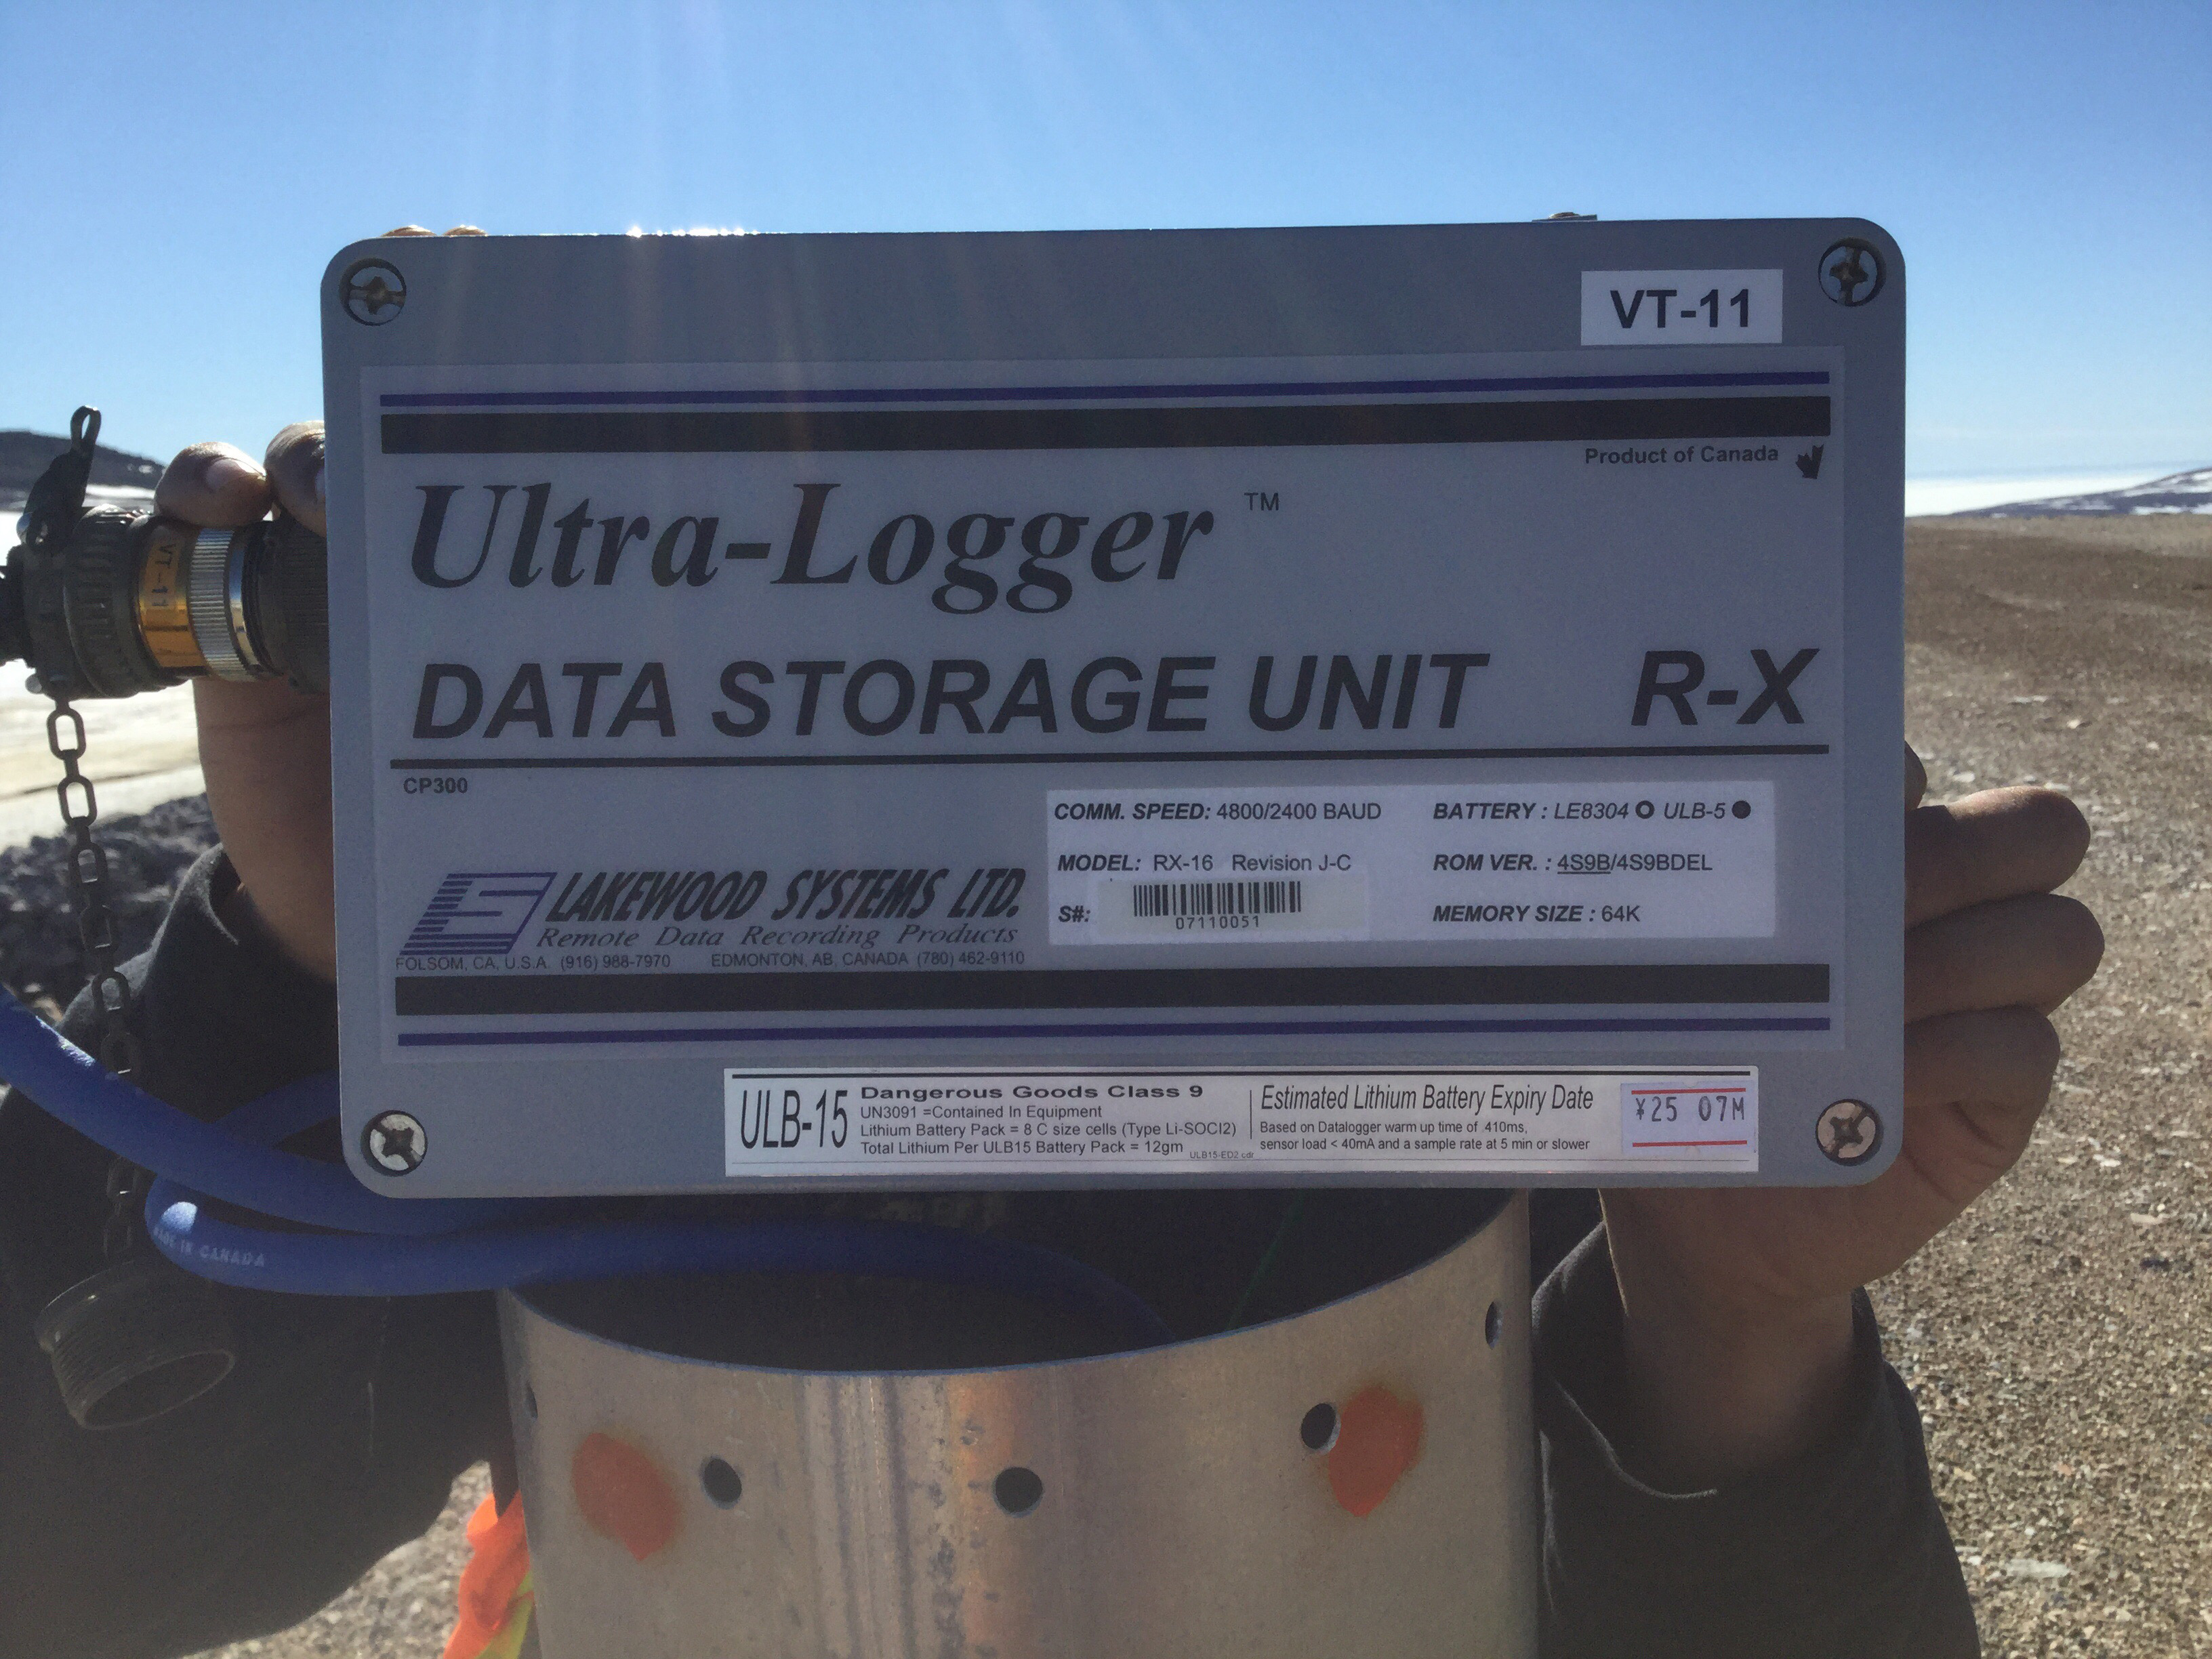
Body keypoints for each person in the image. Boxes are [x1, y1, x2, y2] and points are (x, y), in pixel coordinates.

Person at [0, 398, 2103, 1656]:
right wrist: (295, 986)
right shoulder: (583, 976)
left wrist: (1729, 1326)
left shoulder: (1465, 991)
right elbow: (75, 1563)